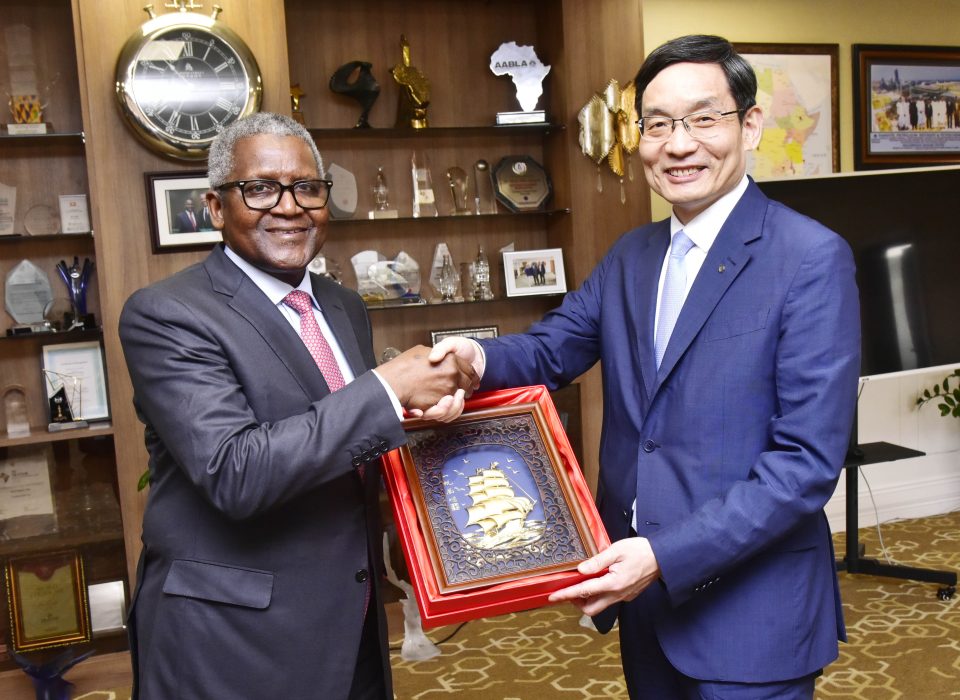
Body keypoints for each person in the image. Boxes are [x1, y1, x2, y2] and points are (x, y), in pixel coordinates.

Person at [432, 35, 860, 699]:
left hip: (752, 616)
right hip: (647, 609)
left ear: (749, 125)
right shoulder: (633, 254)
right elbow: (553, 347)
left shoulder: (809, 258)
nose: (677, 144)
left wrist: (663, 556)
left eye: (702, 119)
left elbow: (804, 465)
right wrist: (475, 356)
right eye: (657, 124)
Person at [119, 112, 477, 700]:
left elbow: (344, 434)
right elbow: (235, 472)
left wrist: (417, 419)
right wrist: (388, 390)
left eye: (307, 187)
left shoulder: (341, 304)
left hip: (352, 617)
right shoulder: (167, 315)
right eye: (259, 188)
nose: (289, 207)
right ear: (214, 206)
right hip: (232, 639)